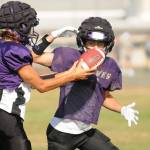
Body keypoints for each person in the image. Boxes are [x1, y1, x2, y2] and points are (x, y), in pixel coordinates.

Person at [33, 17, 139, 150]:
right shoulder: (69, 57)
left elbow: (104, 96)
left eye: (100, 44)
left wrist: (122, 109)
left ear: (108, 44)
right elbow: (34, 57)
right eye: (91, 42)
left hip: (85, 132)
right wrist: (52, 36)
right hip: (61, 133)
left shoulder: (110, 65)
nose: (95, 48)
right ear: (82, 42)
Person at [0, 1, 95, 150]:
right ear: (22, 26)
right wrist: (72, 76)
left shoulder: (5, 46)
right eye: (30, 26)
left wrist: (69, 74)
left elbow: (31, 82)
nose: (31, 30)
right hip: (5, 114)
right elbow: (41, 86)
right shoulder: (13, 49)